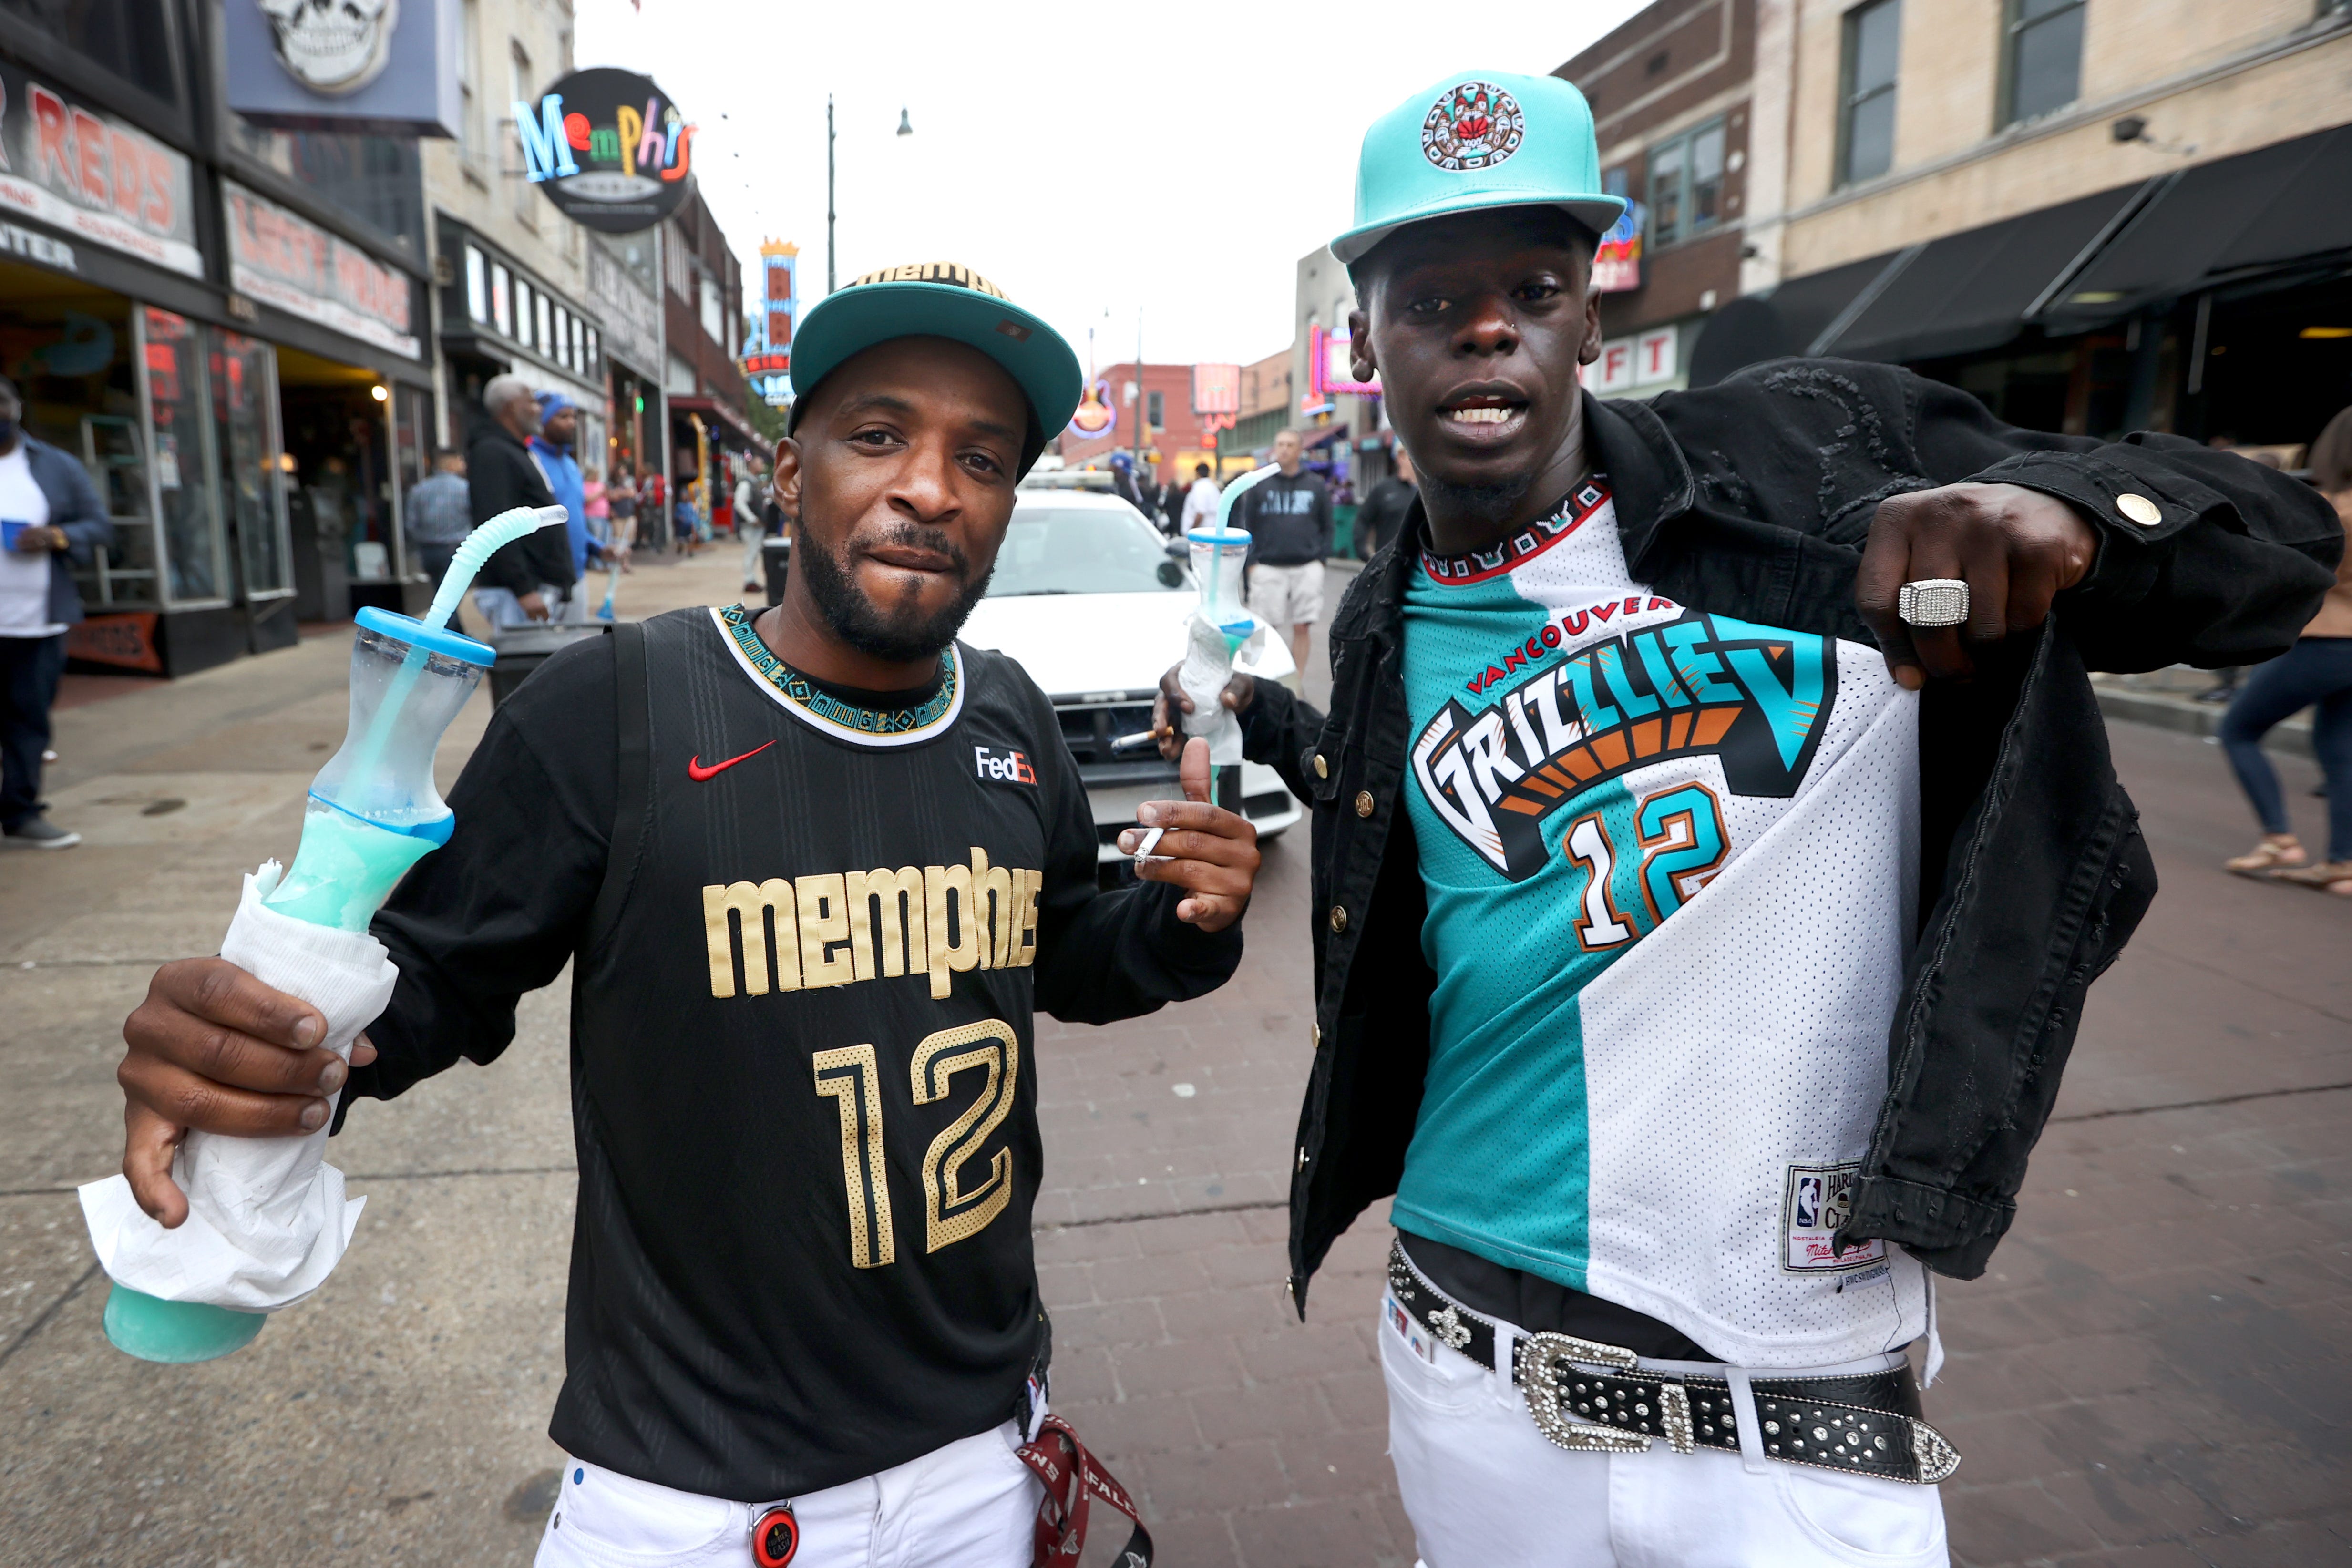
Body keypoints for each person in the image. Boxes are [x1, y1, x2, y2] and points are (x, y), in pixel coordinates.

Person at [1155, 70, 2339, 1566]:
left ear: (1589, 313)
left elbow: (2283, 553)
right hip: (1469, 1369)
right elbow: (1431, 831)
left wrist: (2082, 522)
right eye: (1431, 296)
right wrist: (1259, 726)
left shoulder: (1817, 456)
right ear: (1366, 342)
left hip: (1794, 1399)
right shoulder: (1383, 612)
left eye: (1531, 283)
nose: (1484, 325)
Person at [110, 262, 1262, 1567]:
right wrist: (262, 1051)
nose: (930, 487)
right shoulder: (617, 709)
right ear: (787, 472)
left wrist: (1175, 928)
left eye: (982, 459)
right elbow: (425, 989)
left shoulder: (1003, 718)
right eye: (877, 435)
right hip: (696, 1502)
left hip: (979, 1453)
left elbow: (1055, 949)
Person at [2218, 405, 2352, 895]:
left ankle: (2278, 837)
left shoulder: (2329, 509)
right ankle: (2342, 862)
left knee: (2238, 730)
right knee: (2340, 751)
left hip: (2323, 639)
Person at [0, 373, 111, 851]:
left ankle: (22, 815)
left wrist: (59, 537)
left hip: (36, 621)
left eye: (2, 401)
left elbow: (99, 525)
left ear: (18, 406)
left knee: (28, 722)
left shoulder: (55, 465)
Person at [468, 376, 578, 628]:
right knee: (525, 666)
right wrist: (523, 589)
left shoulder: (514, 450)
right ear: (511, 407)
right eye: (531, 401)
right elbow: (494, 523)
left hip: (536, 588)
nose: (538, 409)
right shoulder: (492, 452)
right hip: (518, 595)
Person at [1233, 428, 1333, 675]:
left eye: (1290, 445)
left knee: (1303, 626)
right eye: (1280, 444)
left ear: (1300, 450)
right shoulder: (1260, 485)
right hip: (1267, 565)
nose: (1284, 449)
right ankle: (1273, 679)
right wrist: (1252, 564)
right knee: (1267, 628)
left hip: (1306, 565)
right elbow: (1247, 525)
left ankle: (1296, 682)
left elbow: (1328, 526)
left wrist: (1321, 559)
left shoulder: (1315, 485)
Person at [530, 390, 598, 592]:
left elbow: (573, 516)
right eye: (563, 417)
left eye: (574, 417)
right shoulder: (531, 460)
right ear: (542, 420)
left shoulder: (570, 464)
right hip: (544, 580)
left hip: (577, 574)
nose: (572, 423)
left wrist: (597, 548)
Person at [403, 451, 471, 588]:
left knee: (438, 591)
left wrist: (422, 539)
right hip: (457, 547)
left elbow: (410, 523)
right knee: (453, 593)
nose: (464, 465)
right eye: (460, 461)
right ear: (451, 464)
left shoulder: (419, 489)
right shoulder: (465, 488)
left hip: (428, 549)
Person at [1354, 446, 1415, 561]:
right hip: (1388, 563)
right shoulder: (1384, 489)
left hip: (1421, 566)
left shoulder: (1427, 491)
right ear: (1401, 458)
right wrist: (1363, 552)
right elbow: (1363, 520)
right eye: (1412, 454)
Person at [739, 458, 770, 593]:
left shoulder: (754, 482)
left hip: (757, 526)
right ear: (752, 465)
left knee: (754, 553)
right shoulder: (746, 483)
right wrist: (752, 519)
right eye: (760, 463)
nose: (762, 465)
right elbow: (739, 503)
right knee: (751, 553)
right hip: (751, 526)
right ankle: (749, 581)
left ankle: (751, 580)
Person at [606, 462, 638, 571]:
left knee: (629, 540)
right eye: (620, 470)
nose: (623, 473)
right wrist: (624, 493)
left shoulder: (630, 481)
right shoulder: (610, 483)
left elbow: (633, 493)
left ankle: (626, 563)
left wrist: (620, 493)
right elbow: (612, 496)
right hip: (617, 515)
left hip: (629, 514)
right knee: (618, 540)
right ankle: (617, 564)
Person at [1179, 460, 1219, 534]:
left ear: (1197, 473)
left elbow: (1200, 513)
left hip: (1200, 535)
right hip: (1211, 531)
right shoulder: (1213, 488)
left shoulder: (1200, 488)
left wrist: (1192, 531)